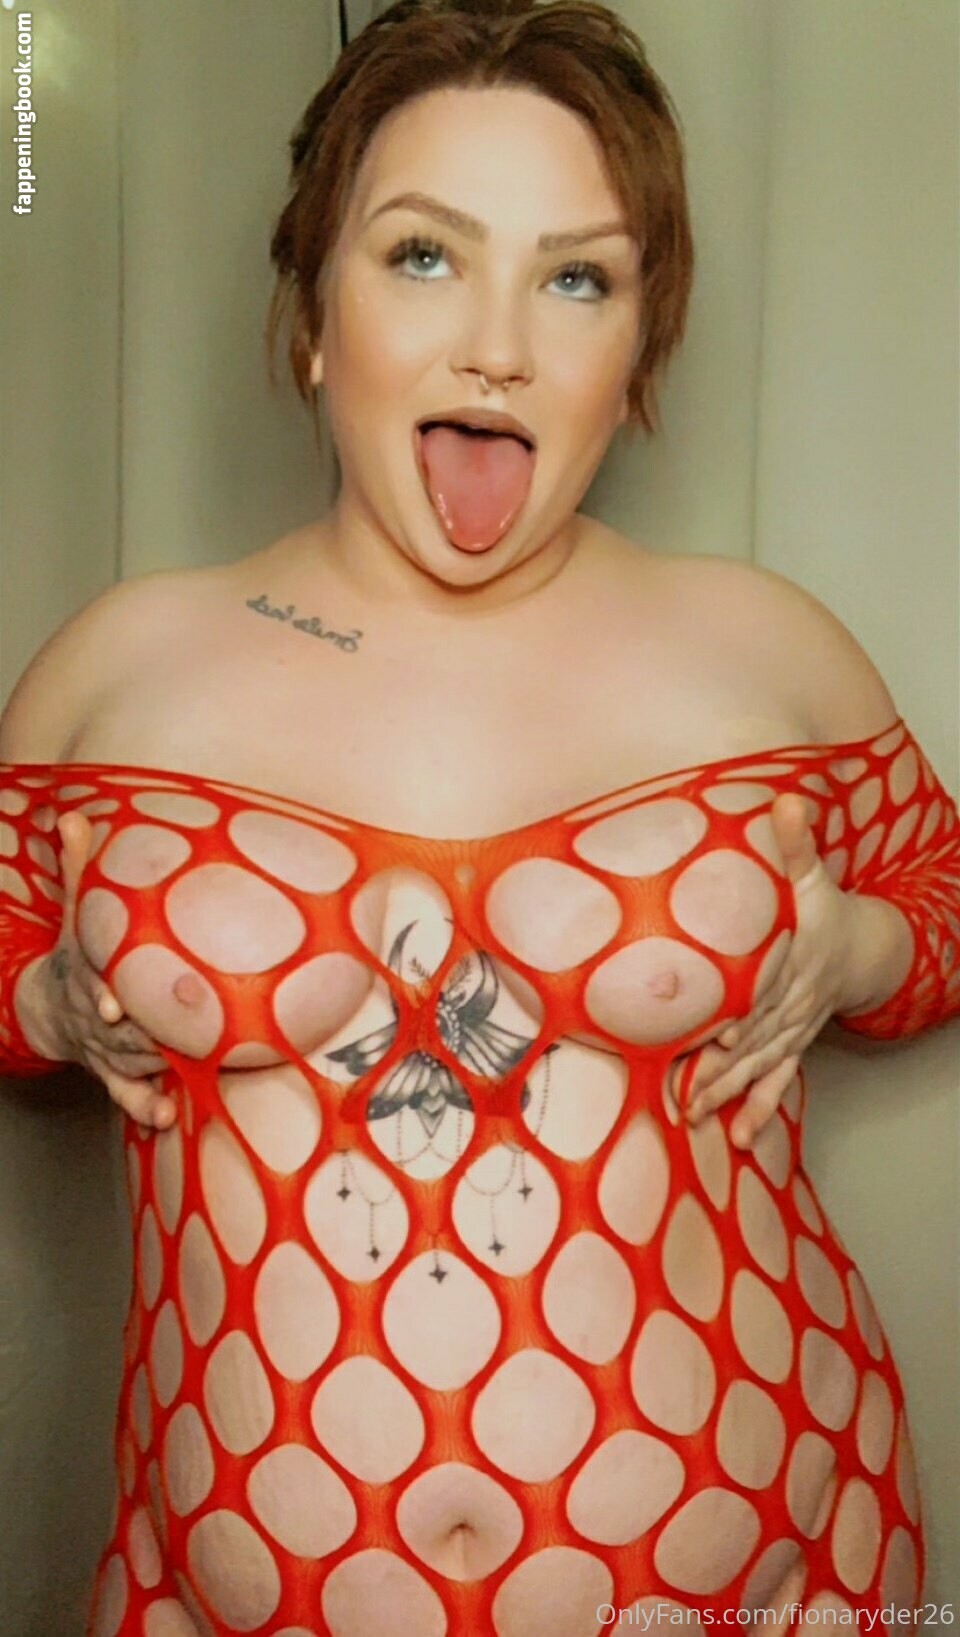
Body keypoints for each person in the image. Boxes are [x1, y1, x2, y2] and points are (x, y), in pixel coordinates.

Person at [0, 1, 956, 1631]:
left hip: (787, 1577)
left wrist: (854, 948)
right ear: (314, 310)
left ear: (638, 353)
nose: (496, 343)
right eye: (424, 256)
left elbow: (941, 895)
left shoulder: (770, 650)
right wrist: (49, 1003)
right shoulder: (115, 670)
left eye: (578, 278)